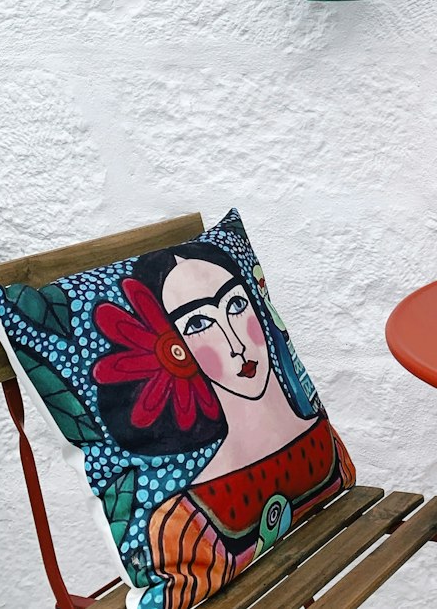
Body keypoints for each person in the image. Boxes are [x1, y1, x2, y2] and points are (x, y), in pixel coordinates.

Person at [93, 240, 354, 607]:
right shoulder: (180, 520)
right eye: (199, 323)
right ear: (173, 351)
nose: (235, 343)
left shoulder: (326, 455)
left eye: (236, 305)